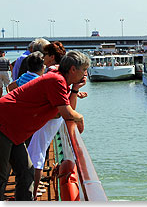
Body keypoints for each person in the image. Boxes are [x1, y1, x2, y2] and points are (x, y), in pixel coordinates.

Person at [0, 50, 89, 201]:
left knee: (27, 172)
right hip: (4, 125)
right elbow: (68, 113)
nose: (86, 74)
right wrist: (80, 118)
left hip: (15, 132)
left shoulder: (60, 81)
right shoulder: (56, 80)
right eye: (84, 70)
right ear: (73, 69)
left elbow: (64, 110)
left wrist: (75, 89)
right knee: (1, 176)